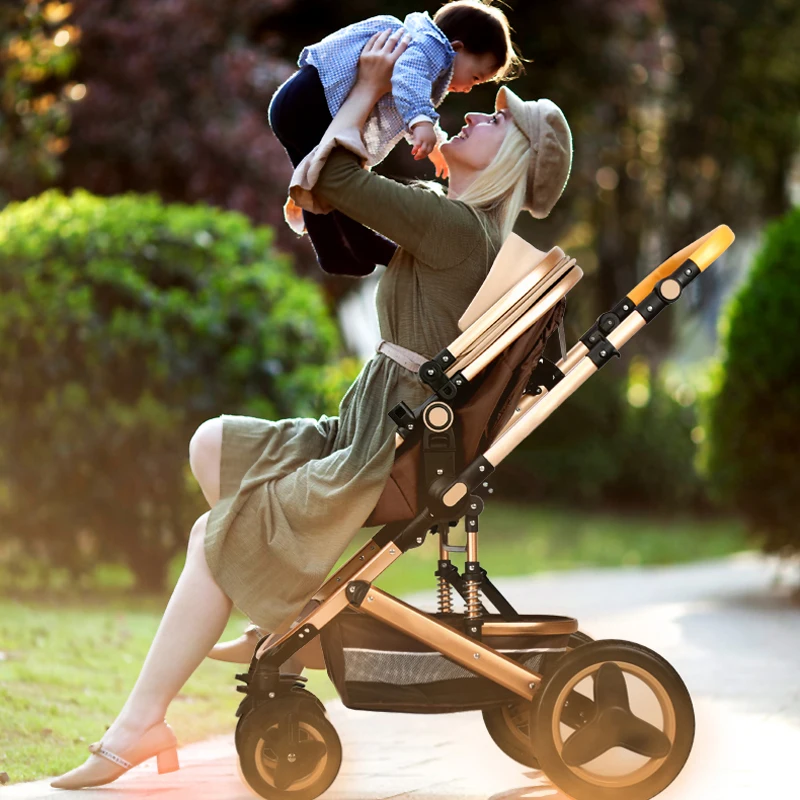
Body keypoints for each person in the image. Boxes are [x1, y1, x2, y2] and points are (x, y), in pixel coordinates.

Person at [50, 27, 571, 790]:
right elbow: (326, 200)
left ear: (511, 159)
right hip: (370, 423)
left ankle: (139, 725)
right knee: (212, 445)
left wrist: (364, 92)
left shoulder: (457, 229)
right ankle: (274, 600)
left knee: (213, 534)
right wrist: (350, 141)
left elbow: (324, 177)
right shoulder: (440, 212)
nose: (476, 114)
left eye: (497, 120)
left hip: (383, 449)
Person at [270, 0, 522, 277]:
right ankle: (358, 241)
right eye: (474, 78)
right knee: (335, 179)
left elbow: (407, 97)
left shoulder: (421, 47)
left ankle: (332, 250)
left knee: (317, 181)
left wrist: (436, 141)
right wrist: (422, 122)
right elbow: (408, 81)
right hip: (308, 104)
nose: (467, 89)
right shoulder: (430, 49)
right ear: (457, 48)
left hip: (294, 103)